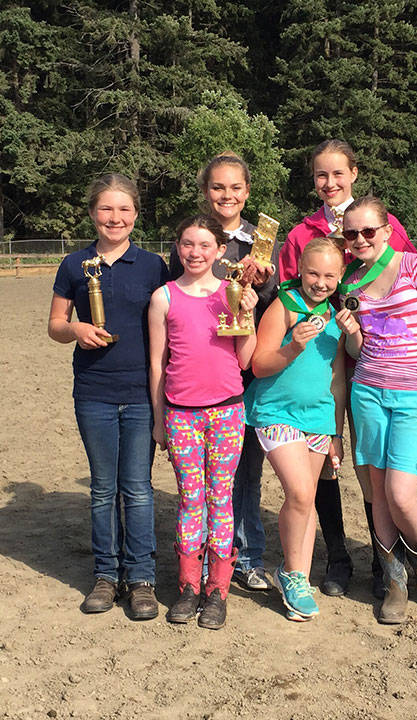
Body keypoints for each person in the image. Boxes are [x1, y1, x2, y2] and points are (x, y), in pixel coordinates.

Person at [277, 139, 417, 598]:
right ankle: (338, 556)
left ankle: (385, 559)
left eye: (338, 173)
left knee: (371, 463)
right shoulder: (301, 234)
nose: (330, 183)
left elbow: (408, 276)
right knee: (327, 461)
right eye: (321, 175)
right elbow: (286, 294)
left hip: (379, 363)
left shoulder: (381, 223)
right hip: (321, 361)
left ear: (354, 174)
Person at [48, 173, 170, 621]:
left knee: (137, 489)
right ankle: (105, 575)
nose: (114, 218)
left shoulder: (155, 266)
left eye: (123, 209)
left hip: (142, 393)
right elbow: (55, 326)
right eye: (106, 209)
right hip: (94, 393)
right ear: (92, 213)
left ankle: (141, 579)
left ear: (136, 214)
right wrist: (76, 329)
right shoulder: (73, 265)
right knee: (103, 489)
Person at [338, 196, 417, 624]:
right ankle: (395, 581)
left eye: (368, 231)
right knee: (377, 493)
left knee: (401, 494)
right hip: (368, 392)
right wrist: (351, 332)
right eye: (351, 234)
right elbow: (357, 348)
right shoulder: (349, 281)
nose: (359, 240)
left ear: (387, 231)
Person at [169, 152, 282, 593]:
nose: (227, 195)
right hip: (198, 376)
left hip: (247, 372)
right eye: (218, 187)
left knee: (245, 472)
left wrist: (266, 280)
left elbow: (276, 305)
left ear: (247, 192)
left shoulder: (262, 242)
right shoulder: (192, 240)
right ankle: (202, 558)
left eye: (235, 187)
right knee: (203, 482)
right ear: (205, 191)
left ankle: (247, 556)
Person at [149, 214, 259, 630]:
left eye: (204, 245)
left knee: (221, 498)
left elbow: (246, 358)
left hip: (227, 410)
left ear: (219, 251)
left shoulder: (233, 294)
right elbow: (157, 364)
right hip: (181, 414)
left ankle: (218, 589)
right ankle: (188, 586)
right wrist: (159, 419)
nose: (195, 253)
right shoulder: (164, 297)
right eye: (187, 244)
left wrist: (246, 316)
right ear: (177, 248)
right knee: (190, 499)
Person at [245, 238, 348, 621]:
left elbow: (337, 379)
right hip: (276, 412)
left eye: (329, 276)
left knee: (305, 503)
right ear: (299, 271)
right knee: (302, 493)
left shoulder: (336, 317)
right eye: (312, 274)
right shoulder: (283, 307)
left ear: (340, 277)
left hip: (318, 417)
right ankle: (290, 573)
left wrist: (335, 433)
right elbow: (259, 364)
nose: (320, 283)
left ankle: (298, 578)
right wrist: (294, 348)